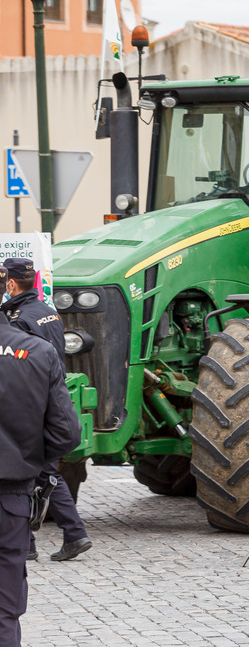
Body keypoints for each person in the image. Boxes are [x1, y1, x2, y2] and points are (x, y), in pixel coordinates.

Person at [0, 265, 81, 645]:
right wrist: (27, 458)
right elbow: (66, 433)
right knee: (5, 606)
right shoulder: (36, 350)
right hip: (10, 493)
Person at [1, 258, 91, 563]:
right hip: (53, 396)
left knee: (39, 473)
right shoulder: (47, 311)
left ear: (10, 284)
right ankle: (33, 542)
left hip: (31, 400)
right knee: (45, 471)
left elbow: (17, 366)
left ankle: (71, 533)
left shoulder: (18, 317)